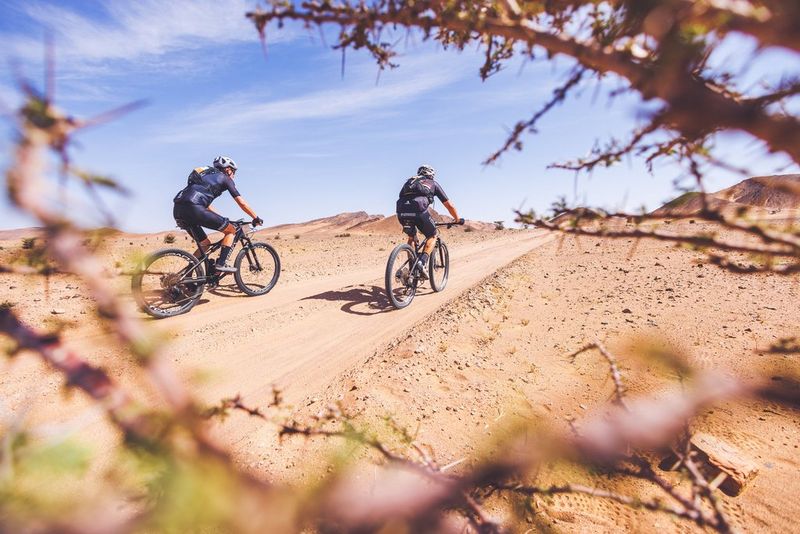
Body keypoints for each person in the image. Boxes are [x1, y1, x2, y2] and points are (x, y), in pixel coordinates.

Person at [173, 156, 262, 273]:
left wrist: (222, 219)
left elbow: (207, 206)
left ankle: (186, 273)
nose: (234, 175)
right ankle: (221, 264)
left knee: (205, 244)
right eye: (233, 172)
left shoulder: (205, 177)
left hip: (178, 209)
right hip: (195, 208)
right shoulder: (225, 178)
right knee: (231, 230)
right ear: (228, 170)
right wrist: (255, 217)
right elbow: (242, 203)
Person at [396, 164, 463, 280]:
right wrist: (457, 219)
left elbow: (400, 196)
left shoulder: (410, 182)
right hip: (419, 212)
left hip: (401, 212)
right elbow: (449, 205)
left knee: (412, 237)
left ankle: (412, 268)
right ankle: (421, 263)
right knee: (433, 235)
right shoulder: (433, 184)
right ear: (432, 175)